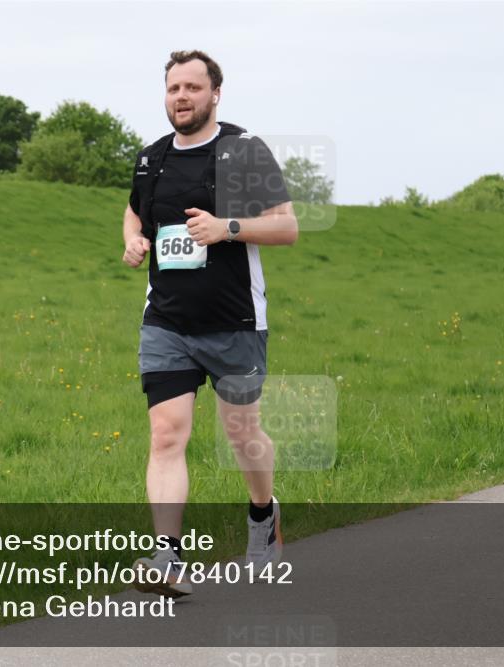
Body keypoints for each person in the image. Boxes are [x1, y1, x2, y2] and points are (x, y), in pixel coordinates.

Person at [122, 50, 298, 596]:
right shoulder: (152, 160)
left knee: (241, 433)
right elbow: (134, 210)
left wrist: (228, 227)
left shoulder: (242, 152)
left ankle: (263, 515)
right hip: (167, 321)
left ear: (215, 93)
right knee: (166, 433)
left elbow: (287, 227)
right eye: (174, 87)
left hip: (234, 320)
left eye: (193, 88)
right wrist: (132, 238)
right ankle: (168, 557)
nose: (182, 96)